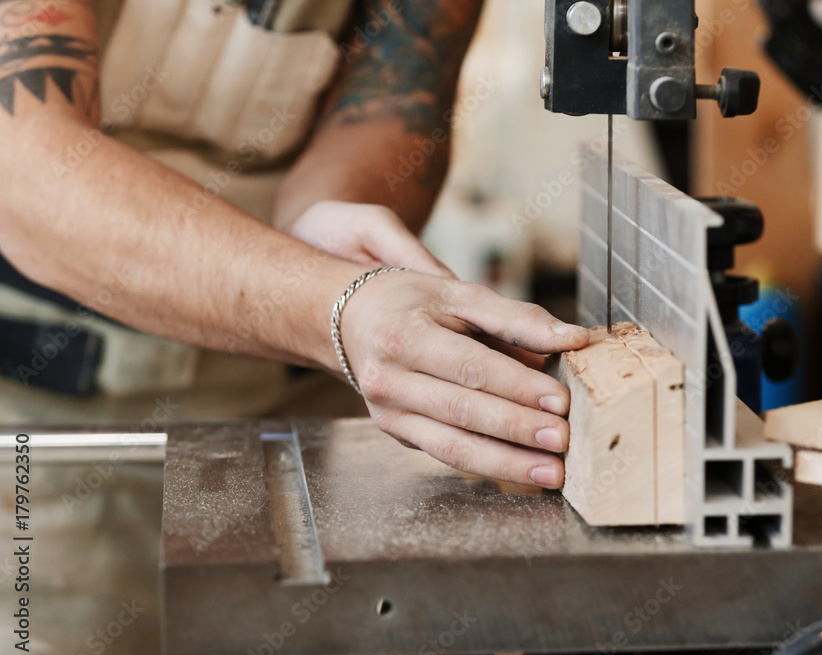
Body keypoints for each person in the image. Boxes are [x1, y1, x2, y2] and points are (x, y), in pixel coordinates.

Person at [0, 0, 591, 490]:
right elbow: (26, 173)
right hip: (55, 407)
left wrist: (326, 224)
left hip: (297, 396)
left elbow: (387, 101)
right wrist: (333, 303)